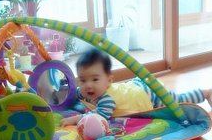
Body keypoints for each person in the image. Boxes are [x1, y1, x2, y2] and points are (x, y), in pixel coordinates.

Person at [63, 48, 212, 125]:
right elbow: (77, 93)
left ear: (109, 80)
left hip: (150, 95)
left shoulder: (107, 99)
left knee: (179, 100)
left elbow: (99, 116)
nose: (88, 85)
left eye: (95, 79)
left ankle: (205, 93)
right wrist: (63, 95)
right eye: (82, 80)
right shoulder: (89, 91)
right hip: (136, 87)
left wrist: (76, 119)